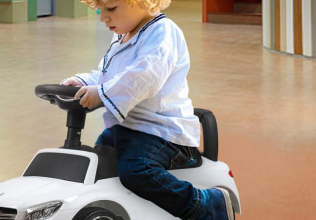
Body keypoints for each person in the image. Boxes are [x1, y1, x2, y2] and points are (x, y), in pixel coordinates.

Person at [61, 0, 234, 219]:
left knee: (136, 170)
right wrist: (82, 83)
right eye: (100, 10)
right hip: (127, 128)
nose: (103, 17)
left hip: (162, 131)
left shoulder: (163, 33)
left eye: (111, 9)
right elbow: (108, 75)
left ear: (144, 2)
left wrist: (102, 93)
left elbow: (144, 76)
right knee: (97, 164)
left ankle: (205, 205)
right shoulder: (122, 35)